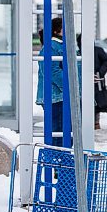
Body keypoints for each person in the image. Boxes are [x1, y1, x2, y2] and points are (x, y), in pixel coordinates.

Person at [35, 18, 65, 147]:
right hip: (55, 96)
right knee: (58, 134)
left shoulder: (56, 45)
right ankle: (58, 163)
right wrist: (69, 87)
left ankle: (59, 162)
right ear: (57, 31)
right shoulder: (52, 46)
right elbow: (52, 71)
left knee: (61, 133)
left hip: (57, 95)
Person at [76, 34, 107, 130]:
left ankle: (96, 123)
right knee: (86, 100)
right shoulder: (79, 52)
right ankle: (88, 122)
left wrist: (100, 73)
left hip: (96, 80)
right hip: (85, 80)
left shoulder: (97, 50)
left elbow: (106, 61)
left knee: (97, 101)